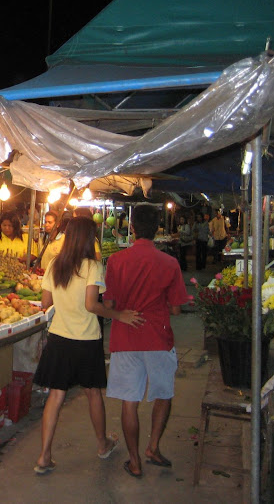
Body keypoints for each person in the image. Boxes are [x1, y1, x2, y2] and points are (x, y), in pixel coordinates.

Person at [34, 217, 143, 474]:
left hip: (59, 337)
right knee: (93, 393)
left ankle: (44, 456)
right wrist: (120, 315)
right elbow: (91, 305)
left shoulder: (54, 265)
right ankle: (103, 444)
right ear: (88, 239)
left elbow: (45, 302)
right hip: (86, 339)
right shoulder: (93, 267)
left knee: (56, 394)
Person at [102, 204, 190, 479]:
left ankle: (135, 460)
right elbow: (176, 309)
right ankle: (153, 447)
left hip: (126, 338)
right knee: (163, 394)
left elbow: (110, 302)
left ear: (132, 227)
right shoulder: (170, 263)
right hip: (158, 336)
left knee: (130, 401)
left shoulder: (116, 261)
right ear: (158, 228)